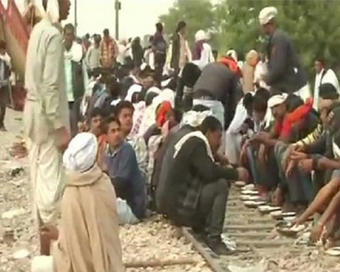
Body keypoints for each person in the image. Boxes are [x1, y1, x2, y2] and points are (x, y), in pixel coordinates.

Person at [32, 132, 124, 272]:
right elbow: (105, 237)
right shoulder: (105, 185)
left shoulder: (70, 194)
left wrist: (58, 236)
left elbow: (73, 247)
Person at [158, 116, 248, 255]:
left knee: (217, 180)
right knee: (220, 185)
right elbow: (209, 172)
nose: (219, 143)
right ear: (209, 133)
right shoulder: (197, 143)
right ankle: (214, 238)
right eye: (218, 137)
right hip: (178, 210)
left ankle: (204, 228)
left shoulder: (190, 139)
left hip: (171, 206)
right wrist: (236, 174)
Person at [24, 0, 71, 255]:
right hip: (46, 122)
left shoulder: (37, 32)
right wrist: (59, 127)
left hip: (33, 119)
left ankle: (45, 257)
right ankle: (49, 258)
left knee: (40, 190)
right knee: (50, 197)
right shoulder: (52, 35)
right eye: (66, 1)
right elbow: (50, 87)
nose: (70, 5)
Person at [259, 7, 309, 100]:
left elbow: (278, 68)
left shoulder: (278, 39)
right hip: (289, 88)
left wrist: (265, 79)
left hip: (292, 89)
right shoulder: (276, 38)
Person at [102, 116, 146, 219]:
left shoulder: (127, 150)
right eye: (112, 131)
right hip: (118, 201)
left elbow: (121, 183)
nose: (117, 134)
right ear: (106, 137)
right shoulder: (107, 153)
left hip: (132, 207)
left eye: (118, 130)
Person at [193, 54, 242, 130]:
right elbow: (232, 103)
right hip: (213, 101)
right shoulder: (231, 73)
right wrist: (227, 125)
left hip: (195, 98)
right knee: (218, 133)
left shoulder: (208, 66)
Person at [63, 23, 88, 137]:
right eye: (67, 34)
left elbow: (84, 71)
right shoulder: (59, 49)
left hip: (75, 92)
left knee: (74, 121)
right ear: (64, 35)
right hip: (62, 92)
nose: (69, 37)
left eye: (71, 35)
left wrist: (86, 89)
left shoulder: (78, 51)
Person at [115, 101, 148, 178]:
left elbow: (142, 169)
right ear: (117, 119)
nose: (129, 119)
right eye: (125, 116)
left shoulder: (138, 141)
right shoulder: (110, 140)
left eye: (130, 116)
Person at [0, 40, 11, 131]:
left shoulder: (7, 59)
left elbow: (9, 72)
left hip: (4, 85)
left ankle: (1, 123)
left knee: (3, 105)